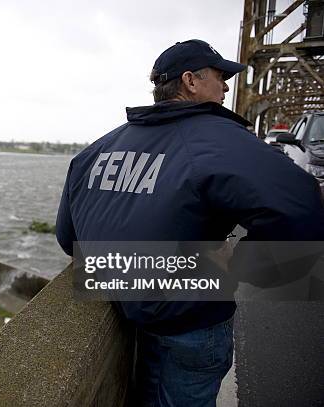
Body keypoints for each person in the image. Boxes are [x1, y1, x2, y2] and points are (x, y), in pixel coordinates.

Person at [55, 39, 324, 406]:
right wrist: (244, 265)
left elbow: (69, 239)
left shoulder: (96, 151)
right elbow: (303, 208)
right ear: (190, 81)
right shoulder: (217, 140)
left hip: (135, 317)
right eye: (220, 75)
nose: (227, 86)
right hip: (192, 325)